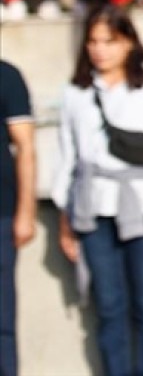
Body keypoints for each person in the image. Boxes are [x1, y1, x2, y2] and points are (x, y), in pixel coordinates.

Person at [51, 6, 143, 376]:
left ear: (128, 42)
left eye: (109, 42)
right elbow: (68, 157)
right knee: (108, 304)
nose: (100, 50)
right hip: (93, 207)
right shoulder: (75, 93)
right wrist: (65, 218)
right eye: (94, 42)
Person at [1, 61, 36, 376]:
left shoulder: (6, 75)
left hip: (1, 214)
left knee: (1, 319)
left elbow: (25, 146)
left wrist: (26, 211)